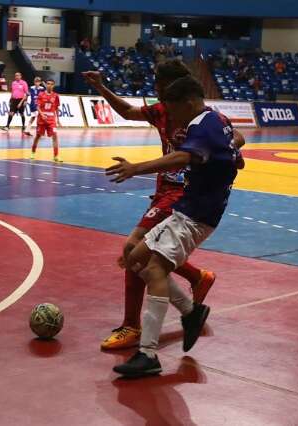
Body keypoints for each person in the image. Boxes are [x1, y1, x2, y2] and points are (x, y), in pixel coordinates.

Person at [83, 60, 246, 351]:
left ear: (178, 89)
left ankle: (135, 329)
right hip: (165, 191)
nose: (157, 91)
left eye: (160, 85)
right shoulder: (164, 108)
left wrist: (229, 147)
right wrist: (101, 88)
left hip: (182, 193)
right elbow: (129, 112)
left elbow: (230, 137)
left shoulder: (199, 116)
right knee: (146, 256)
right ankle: (195, 286)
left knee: (133, 250)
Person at [30, 78, 62, 162]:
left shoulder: (56, 96)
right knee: (38, 136)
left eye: (51, 84)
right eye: (48, 83)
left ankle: (56, 156)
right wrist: (41, 114)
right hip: (41, 119)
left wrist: (58, 120)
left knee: (55, 136)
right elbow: (38, 106)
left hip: (51, 120)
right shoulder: (41, 94)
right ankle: (33, 152)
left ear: (53, 85)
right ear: (46, 85)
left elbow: (57, 108)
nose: (49, 85)